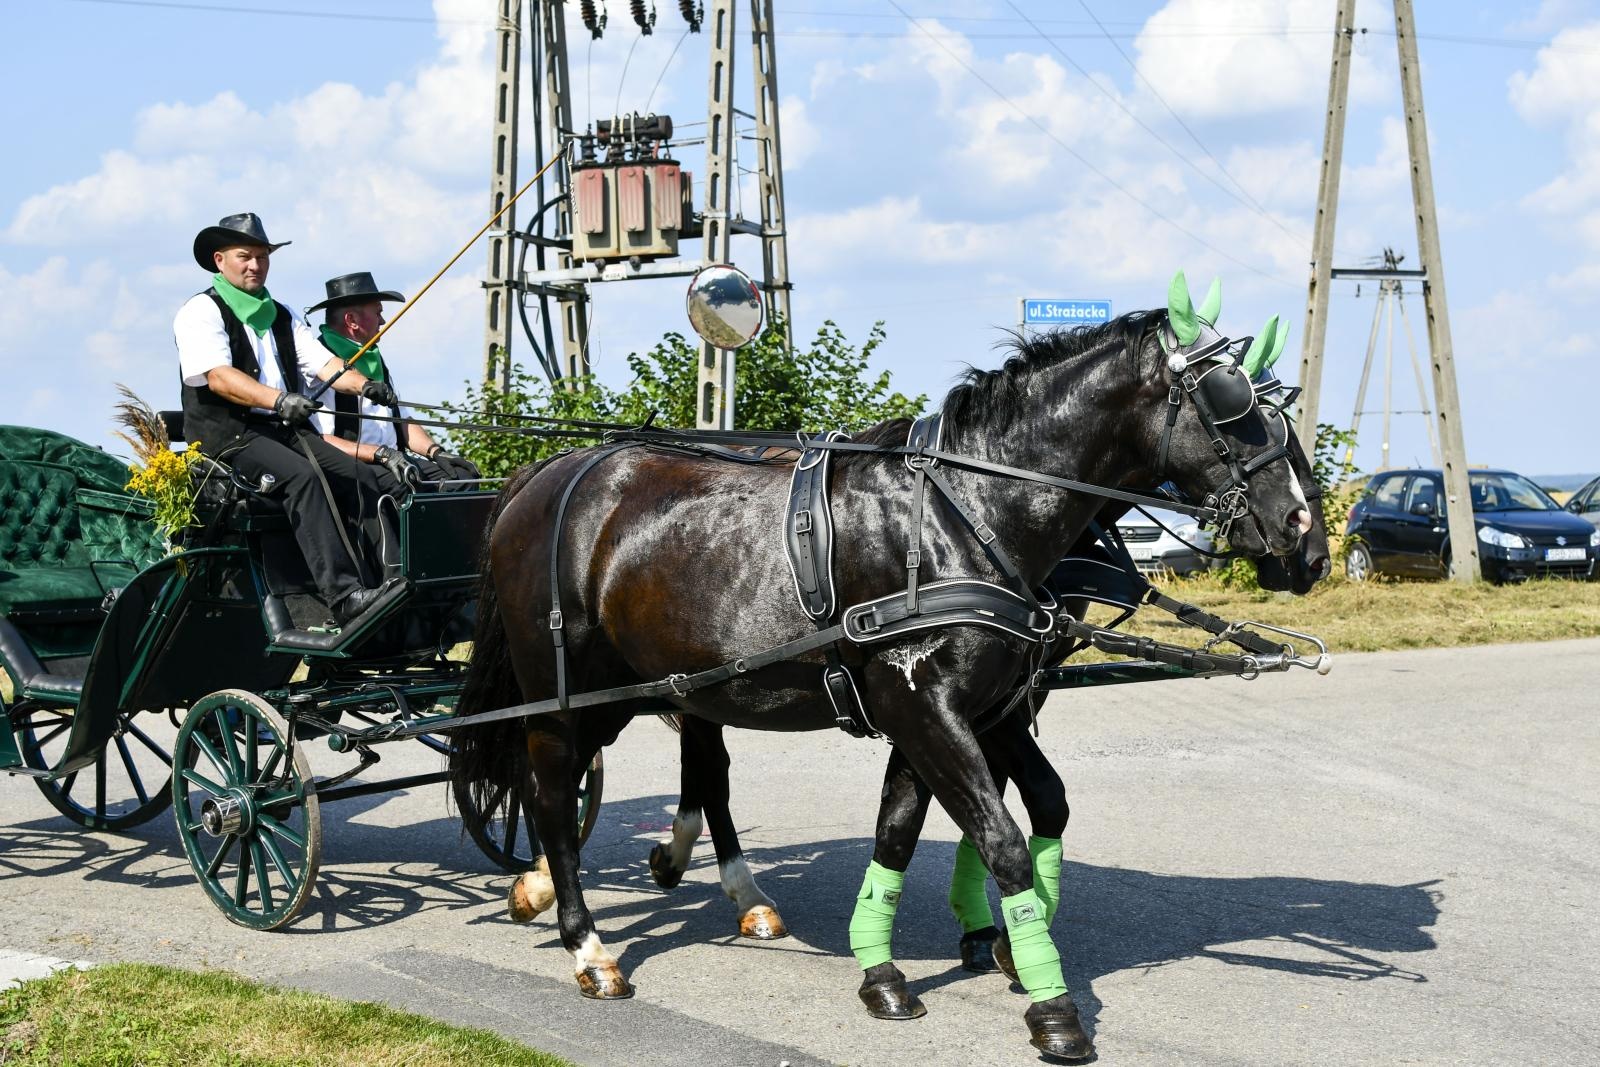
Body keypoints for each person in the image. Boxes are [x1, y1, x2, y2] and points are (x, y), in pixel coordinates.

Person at [173, 212, 396, 623]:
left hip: (281, 432)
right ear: (220, 260)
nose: (255, 265)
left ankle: (389, 585)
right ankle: (344, 597)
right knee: (303, 478)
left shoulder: (282, 314)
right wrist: (278, 401)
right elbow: (220, 378)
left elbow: (324, 365)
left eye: (262, 257)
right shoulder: (200, 311)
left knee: (360, 476)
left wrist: (364, 386)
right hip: (230, 436)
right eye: (245, 256)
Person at [305, 272, 479, 490]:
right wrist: (379, 453)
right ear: (351, 321)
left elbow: (401, 419)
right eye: (378, 313)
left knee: (463, 478)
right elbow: (317, 438)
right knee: (405, 486)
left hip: (393, 460)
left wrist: (436, 452)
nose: (383, 321)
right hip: (353, 464)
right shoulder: (318, 362)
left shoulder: (373, 358)